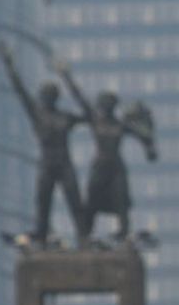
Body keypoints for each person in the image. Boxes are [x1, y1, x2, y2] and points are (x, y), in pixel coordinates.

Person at [0, 42, 87, 244]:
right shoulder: (38, 115)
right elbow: (20, 91)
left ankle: (83, 236)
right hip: (47, 164)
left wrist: (67, 76)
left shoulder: (65, 117)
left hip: (64, 163)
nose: (45, 98)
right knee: (43, 204)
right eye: (44, 95)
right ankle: (42, 235)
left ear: (55, 97)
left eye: (49, 95)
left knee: (75, 202)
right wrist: (9, 65)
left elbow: (88, 114)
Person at [56, 61, 157, 241]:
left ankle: (124, 233)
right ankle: (85, 235)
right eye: (104, 104)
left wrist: (149, 148)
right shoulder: (96, 121)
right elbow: (79, 97)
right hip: (100, 167)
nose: (105, 107)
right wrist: (65, 76)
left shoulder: (120, 125)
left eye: (109, 104)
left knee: (121, 202)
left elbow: (144, 136)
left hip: (116, 168)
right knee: (91, 202)